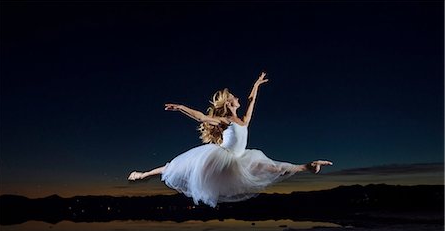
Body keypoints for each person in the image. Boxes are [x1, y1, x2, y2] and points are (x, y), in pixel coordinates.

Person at [128, 72, 332, 207]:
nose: (238, 98)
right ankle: (144, 174)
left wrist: (257, 84)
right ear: (228, 103)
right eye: (234, 96)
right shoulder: (224, 120)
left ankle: (308, 166)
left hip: (242, 159)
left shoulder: (243, 120)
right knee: (175, 167)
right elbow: (201, 116)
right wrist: (181, 108)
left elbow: (252, 100)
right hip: (222, 157)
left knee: (276, 169)